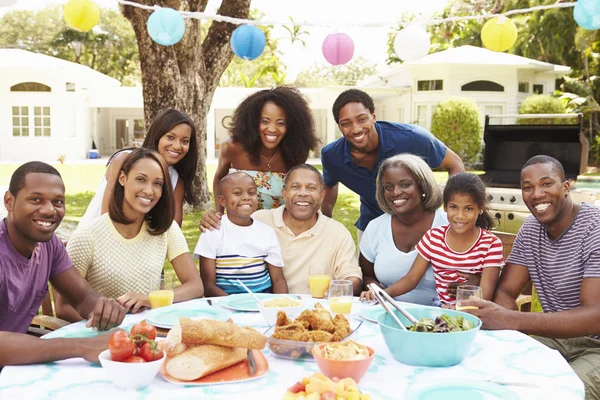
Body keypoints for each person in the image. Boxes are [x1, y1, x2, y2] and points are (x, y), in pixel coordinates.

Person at [461, 155, 600, 399]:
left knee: (556, 395)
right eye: (528, 187)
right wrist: (511, 336)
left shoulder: (594, 228)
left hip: (596, 347)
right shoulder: (531, 229)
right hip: (554, 340)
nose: (536, 194)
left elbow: (595, 316)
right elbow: (506, 291)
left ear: (565, 187)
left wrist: (511, 320)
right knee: (482, 375)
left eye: (546, 184)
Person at [56, 149, 204, 322]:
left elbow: (195, 286)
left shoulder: (166, 228)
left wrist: (149, 298)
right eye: (141, 179)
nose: (149, 190)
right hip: (107, 337)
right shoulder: (87, 236)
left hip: (152, 332)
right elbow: (63, 307)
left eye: (157, 183)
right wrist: (109, 325)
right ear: (122, 179)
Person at [0, 162, 125, 366]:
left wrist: (103, 306)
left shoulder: (50, 245)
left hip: (17, 365)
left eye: (58, 202)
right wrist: (81, 347)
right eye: (36, 199)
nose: (49, 210)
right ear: (9, 201)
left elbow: (83, 297)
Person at [321, 89, 465, 243]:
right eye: (346, 123)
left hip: (422, 228)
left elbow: (455, 164)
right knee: (365, 268)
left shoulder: (413, 138)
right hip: (371, 226)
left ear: (373, 117)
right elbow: (328, 192)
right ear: (339, 126)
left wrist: (453, 213)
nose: (356, 129)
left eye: (362, 119)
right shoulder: (332, 156)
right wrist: (325, 231)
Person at [362, 172, 503, 306]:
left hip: (475, 315)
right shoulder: (433, 237)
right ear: (445, 207)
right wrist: (382, 294)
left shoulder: (491, 245)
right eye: (453, 207)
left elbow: (485, 296)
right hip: (439, 312)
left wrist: (457, 309)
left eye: (468, 209)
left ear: (480, 209)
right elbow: (411, 279)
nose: (460, 215)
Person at [200, 87, 318, 231]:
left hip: (279, 229)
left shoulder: (295, 153)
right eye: (265, 121)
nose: (272, 129)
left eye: (280, 123)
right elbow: (219, 178)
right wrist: (219, 214)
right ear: (253, 122)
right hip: (240, 226)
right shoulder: (232, 147)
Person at [252, 164, 363, 295]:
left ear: (322, 196)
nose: (303, 193)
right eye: (295, 187)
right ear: (284, 193)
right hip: (264, 308)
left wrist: (337, 291)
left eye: (311, 188)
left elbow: (352, 278)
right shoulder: (259, 221)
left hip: (315, 310)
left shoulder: (337, 232)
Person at [79, 109, 198, 227]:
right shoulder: (124, 160)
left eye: (185, 141)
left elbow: (173, 229)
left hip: (138, 243)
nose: (178, 146)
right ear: (157, 136)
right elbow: (105, 217)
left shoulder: (176, 180)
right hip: (96, 236)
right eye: (170, 137)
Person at [357, 154, 448, 305]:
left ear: (422, 186)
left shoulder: (448, 225)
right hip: (387, 312)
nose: (395, 192)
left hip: (442, 315)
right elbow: (366, 275)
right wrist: (374, 289)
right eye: (388, 187)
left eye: (405, 185)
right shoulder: (375, 227)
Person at [195, 172, 288, 296]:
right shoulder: (213, 231)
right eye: (237, 193)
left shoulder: (267, 232)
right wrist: (235, 303)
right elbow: (208, 285)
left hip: (262, 303)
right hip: (224, 304)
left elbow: (278, 280)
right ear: (222, 201)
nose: (246, 197)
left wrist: (280, 307)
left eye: (252, 193)